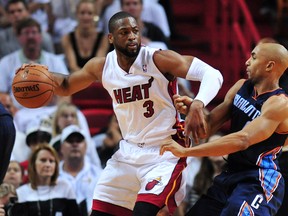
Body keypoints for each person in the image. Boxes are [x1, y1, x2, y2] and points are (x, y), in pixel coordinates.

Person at [17, 11, 223, 215]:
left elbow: (213, 74)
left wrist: (198, 102)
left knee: (143, 212)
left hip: (165, 151)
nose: (132, 36)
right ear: (111, 38)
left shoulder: (158, 59)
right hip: (128, 152)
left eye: (135, 31)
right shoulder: (102, 66)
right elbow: (66, 85)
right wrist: (41, 74)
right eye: (124, 32)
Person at [160, 42, 288, 215]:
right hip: (230, 174)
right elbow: (208, 127)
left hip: (258, 179)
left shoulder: (279, 103)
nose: (247, 62)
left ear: (269, 66)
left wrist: (186, 152)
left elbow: (242, 140)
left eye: (254, 57)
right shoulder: (241, 86)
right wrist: (195, 113)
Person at [0, 17, 69, 110]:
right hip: (19, 113)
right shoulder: (6, 62)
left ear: (41, 36)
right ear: (18, 37)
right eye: (26, 33)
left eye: (34, 32)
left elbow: (67, 91)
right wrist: (14, 113)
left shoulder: (55, 61)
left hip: (51, 112)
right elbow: (1, 94)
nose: (30, 36)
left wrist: (58, 113)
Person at [10, 144, 81, 216]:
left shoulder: (65, 187)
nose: (48, 165)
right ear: (33, 164)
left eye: (51, 161)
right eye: (43, 160)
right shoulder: (21, 192)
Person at [58, 124, 103, 216]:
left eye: (79, 141)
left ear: (86, 146)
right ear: (61, 148)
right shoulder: (52, 175)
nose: (75, 144)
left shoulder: (99, 175)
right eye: (70, 141)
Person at [61, 0, 110, 73]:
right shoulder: (66, 38)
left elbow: (97, 66)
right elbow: (73, 66)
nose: (85, 17)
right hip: (75, 79)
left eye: (89, 13)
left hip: (96, 80)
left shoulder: (103, 39)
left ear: (95, 15)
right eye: (82, 13)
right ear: (77, 14)